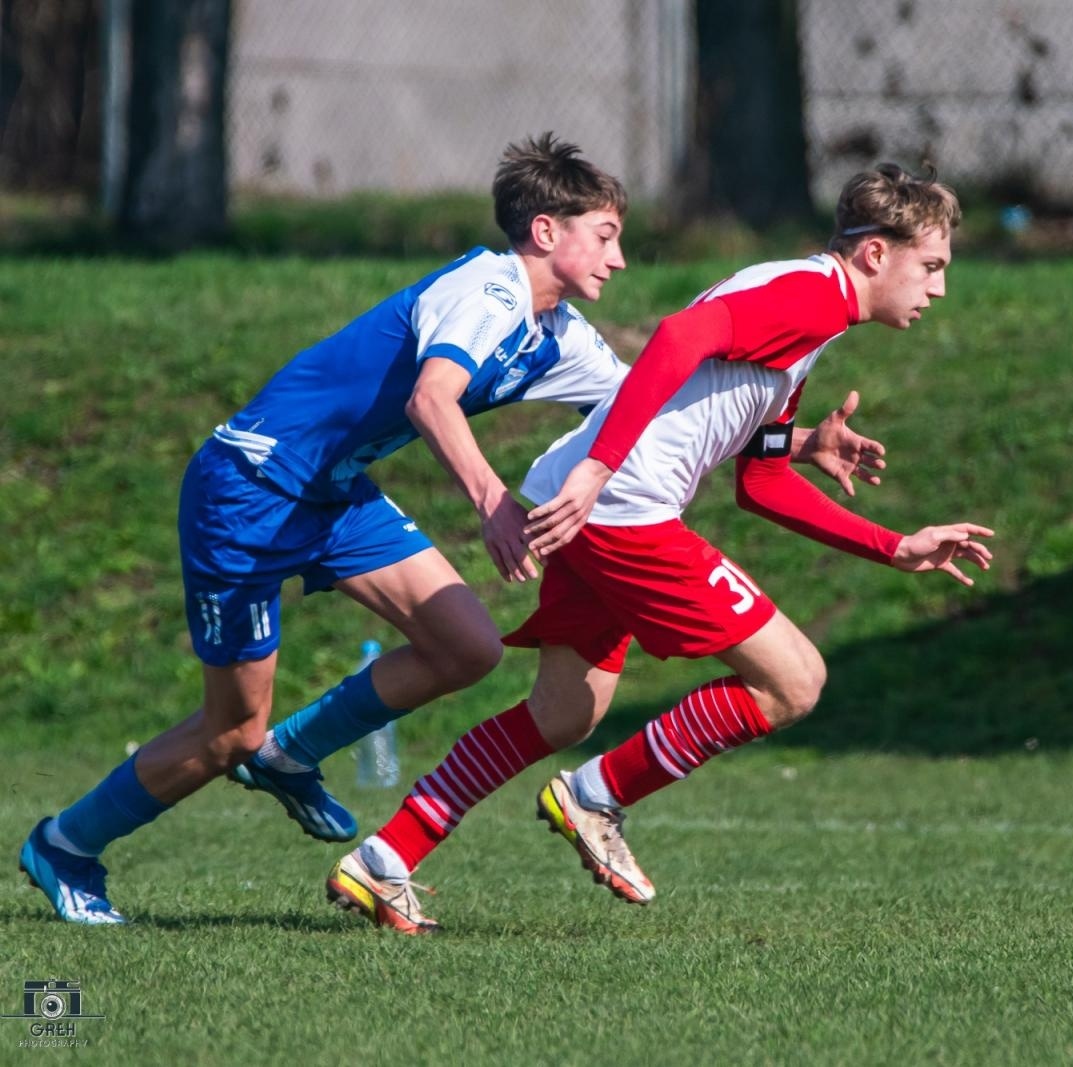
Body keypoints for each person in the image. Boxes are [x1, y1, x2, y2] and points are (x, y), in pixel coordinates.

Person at [17, 134, 884, 925]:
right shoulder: (488, 290)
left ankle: (291, 754)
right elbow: (429, 396)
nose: (620, 258)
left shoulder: (561, 335)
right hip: (248, 486)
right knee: (227, 728)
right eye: (606, 235)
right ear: (547, 231)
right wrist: (492, 501)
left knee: (466, 644)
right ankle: (66, 846)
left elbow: (648, 403)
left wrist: (799, 442)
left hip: (332, 489)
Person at [327, 162, 990, 933]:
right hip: (620, 508)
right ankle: (597, 795)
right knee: (795, 679)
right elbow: (680, 337)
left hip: (588, 497)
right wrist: (602, 471)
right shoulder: (813, 297)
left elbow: (760, 480)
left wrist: (889, 538)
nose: (938, 288)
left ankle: (386, 857)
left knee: (562, 710)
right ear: (876, 253)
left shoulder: (813, 306)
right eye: (932, 265)